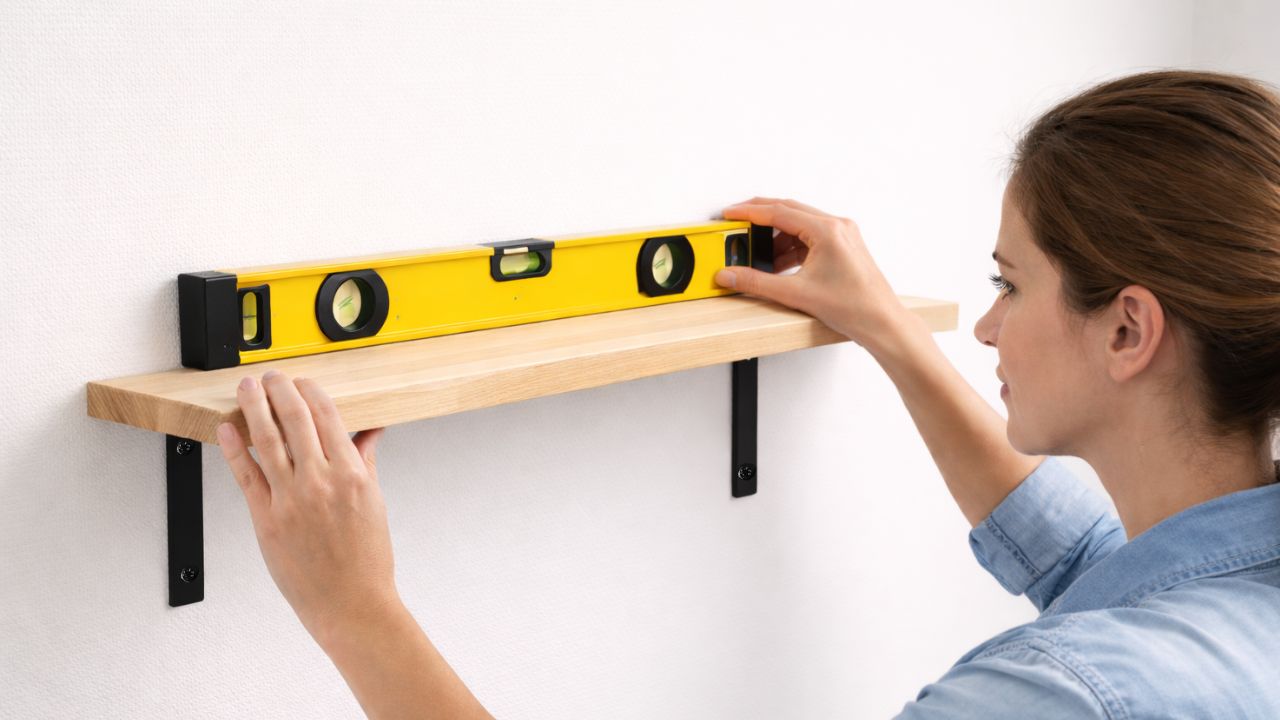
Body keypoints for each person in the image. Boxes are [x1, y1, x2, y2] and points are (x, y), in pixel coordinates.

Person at [216, 69, 1280, 718]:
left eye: (1009, 283)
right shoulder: (1228, 601)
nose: (989, 323)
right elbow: (1092, 567)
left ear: (1129, 330)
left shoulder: (1060, 694)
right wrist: (891, 337)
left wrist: (352, 606)